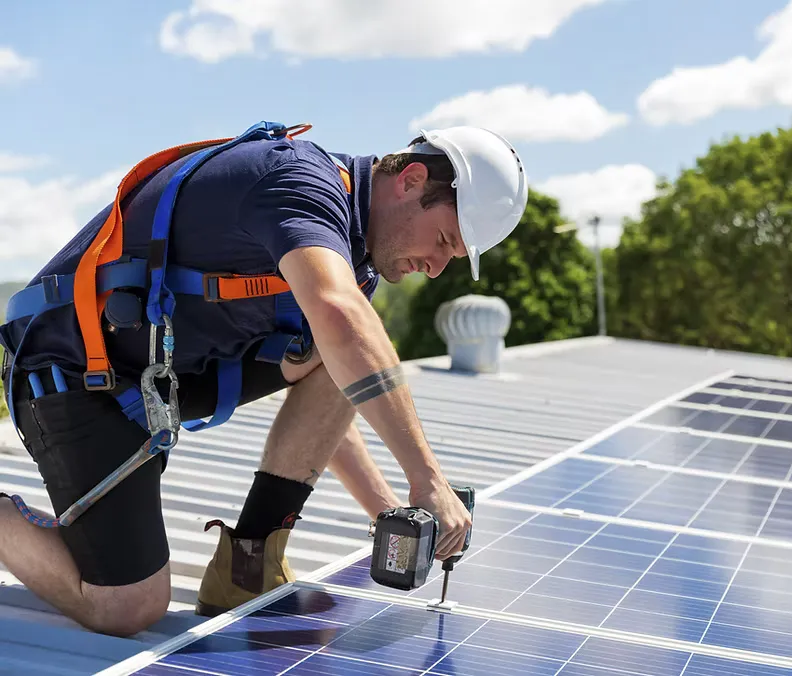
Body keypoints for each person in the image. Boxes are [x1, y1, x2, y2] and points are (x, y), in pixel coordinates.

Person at [0, 121, 528, 637]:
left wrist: (388, 510)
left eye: (451, 258)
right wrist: (428, 478)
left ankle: (244, 566)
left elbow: (340, 384)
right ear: (411, 180)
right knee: (126, 607)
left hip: (151, 382)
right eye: (442, 240)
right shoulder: (297, 180)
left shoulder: (352, 261)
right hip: (72, 374)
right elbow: (343, 323)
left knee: (338, 351)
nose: (436, 268)